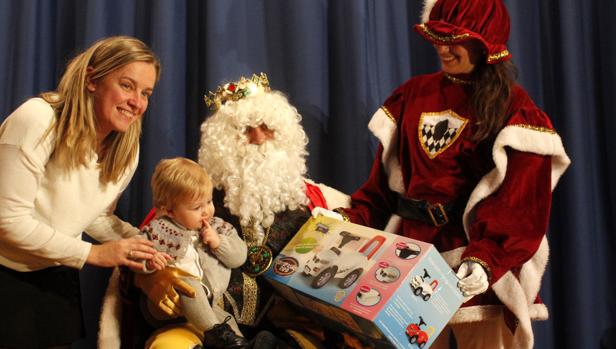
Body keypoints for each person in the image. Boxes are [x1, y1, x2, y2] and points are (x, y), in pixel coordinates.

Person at [328, 0, 571, 348]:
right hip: (410, 261)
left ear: (486, 42)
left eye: (454, 38)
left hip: (473, 265)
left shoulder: (514, 107)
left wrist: (487, 259)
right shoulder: (413, 94)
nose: (442, 48)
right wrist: (351, 218)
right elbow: (384, 185)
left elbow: (522, 204)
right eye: (438, 37)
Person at [98, 73, 355, 349]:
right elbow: (140, 257)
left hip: (289, 330)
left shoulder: (316, 202)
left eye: (266, 127)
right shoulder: (191, 198)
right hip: (202, 324)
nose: (258, 138)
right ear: (223, 142)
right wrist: (152, 279)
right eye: (244, 129)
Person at [0, 36, 161, 348]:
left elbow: (93, 215)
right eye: (127, 85)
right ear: (92, 80)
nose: (137, 102)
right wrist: (94, 254)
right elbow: (6, 221)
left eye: (146, 93)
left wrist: (140, 243)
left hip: (55, 277)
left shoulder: (127, 148)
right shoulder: (37, 119)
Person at [136, 157, 249, 349]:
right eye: (197, 207)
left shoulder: (219, 227)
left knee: (229, 329)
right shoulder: (157, 231)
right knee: (187, 283)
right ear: (169, 211)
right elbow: (133, 256)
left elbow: (239, 257)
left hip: (210, 304)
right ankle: (214, 333)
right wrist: (150, 261)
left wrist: (218, 243)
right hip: (169, 308)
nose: (206, 211)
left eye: (209, 201)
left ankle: (235, 341)